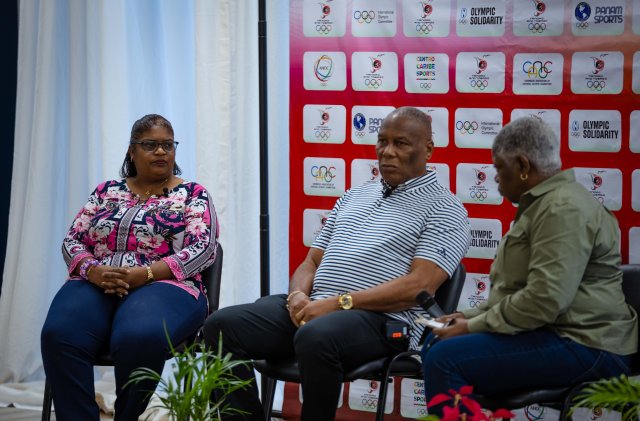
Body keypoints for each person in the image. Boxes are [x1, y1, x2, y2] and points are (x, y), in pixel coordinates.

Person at [203, 106, 471, 420]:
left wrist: (338, 303)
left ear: (428, 149)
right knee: (220, 326)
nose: (387, 152)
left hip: (381, 320)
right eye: (382, 141)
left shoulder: (445, 208)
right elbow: (310, 262)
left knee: (317, 335)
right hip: (317, 309)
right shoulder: (354, 196)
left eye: (400, 143)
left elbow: (418, 287)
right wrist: (297, 296)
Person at [422, 116, 638, 414]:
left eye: (500, 168)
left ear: (523, 166)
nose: (496, 179)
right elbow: (518, 293)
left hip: (588, 345)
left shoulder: (562, 208)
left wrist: (471, 326)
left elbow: (545, 300)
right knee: (435, 343)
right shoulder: (544, 205)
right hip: (556, 333)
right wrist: (466, 316)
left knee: (445, 358)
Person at [41, 114, 219, 421]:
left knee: (139, 336)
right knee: (60, 334)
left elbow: (203, 249)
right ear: (132, 151)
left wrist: (146, 274)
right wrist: (92, 270)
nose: (161, 151)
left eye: (168, 145)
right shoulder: (105, 191)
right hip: (98, 281)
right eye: (150, 145)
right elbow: (72, 240)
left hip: (167, 286)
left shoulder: (193, 195)